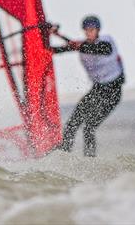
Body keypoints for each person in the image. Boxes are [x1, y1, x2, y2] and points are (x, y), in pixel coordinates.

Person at [49, 15, 125, 157]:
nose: (89, 32)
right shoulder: (83, 46)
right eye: (87, 30)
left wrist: (59, 34)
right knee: (73, 122)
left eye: (92, 29)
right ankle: (63, 154)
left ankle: (90, 160)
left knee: (89, 127)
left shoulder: (106, 42)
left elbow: (93, 48)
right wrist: (46, 42)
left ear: (98, 30)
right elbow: (59, 50)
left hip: (113, 92)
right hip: (98, 90)